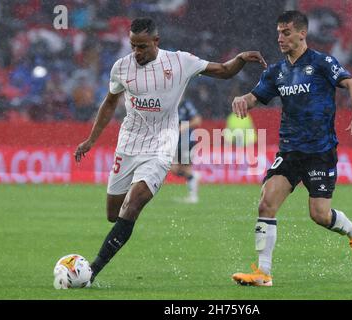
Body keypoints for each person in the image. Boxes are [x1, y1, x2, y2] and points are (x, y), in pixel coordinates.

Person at [74, 17, 267, 285]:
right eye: (133, 46)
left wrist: (241, 58)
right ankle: (117, 233)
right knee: (113, 214)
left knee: (133, 205)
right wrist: (91, 140)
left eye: (142, 46)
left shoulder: (179, 61)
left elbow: (223, 70)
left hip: (162, 144)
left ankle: (92, 271)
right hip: (129, 143)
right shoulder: (121, 67)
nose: (137, 52)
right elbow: (109, 103)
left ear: (156, 41)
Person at [231, 11, 352, 287]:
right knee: (266, 203)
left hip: (320, 151)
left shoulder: (321, 63)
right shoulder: (276, 71)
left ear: (302, 34)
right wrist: (242, 99)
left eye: (285, 32)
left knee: (319, 215)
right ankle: (263, 272)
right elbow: (256, 96)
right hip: (290, 151)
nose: (279, 37)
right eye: (278, 32)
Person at [170, 98, 202, 203]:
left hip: (186, 141)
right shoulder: (168, 103)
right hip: (175, 142)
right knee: (174, 169)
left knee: (186, 167)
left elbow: (198, 119)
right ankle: (193, 177)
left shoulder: (185, 104)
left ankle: (193, 197)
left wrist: (184, 126)